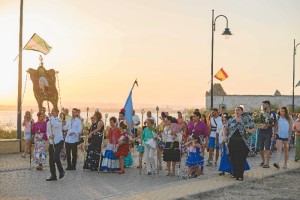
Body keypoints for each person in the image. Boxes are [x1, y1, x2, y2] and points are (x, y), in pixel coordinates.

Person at [225, 106, 255, 181]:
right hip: (232, 142)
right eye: (236, 110)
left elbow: (253, 129)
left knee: (241, 159)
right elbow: (225, 128)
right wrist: (225, 136)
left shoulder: (247, 120)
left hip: (243, 142)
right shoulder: (231, 120)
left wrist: (246, 129)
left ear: (242, 112)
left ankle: (240, 175)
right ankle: (235, 173)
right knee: (233, 158)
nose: (237, 111)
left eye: (238, 110)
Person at [46, 108, 65, 181]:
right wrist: (49, 136)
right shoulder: (48, 122)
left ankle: (61, 171)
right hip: (52, 142)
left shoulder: (59, 121)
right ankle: (53, 175)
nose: (52, 113)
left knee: (55, 157)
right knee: (51, 160)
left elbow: (55, 125)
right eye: (52, 112)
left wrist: (51, 118)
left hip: (59, 141)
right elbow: (47, 131)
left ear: (57, 112)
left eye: (54, 112)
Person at [258, 100, 277, 168]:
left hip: (268, 132)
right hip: (260, 132)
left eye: (264, 105)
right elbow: (257, 123)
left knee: (267, 147)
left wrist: (273, 133)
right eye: (262, 105)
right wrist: (260, 125)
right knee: (260, 148)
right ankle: (263, 160)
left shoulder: (272, 113)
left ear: (268, 105)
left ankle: (267, 163)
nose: (263, 106)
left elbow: (275, 124)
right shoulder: (261, 113)